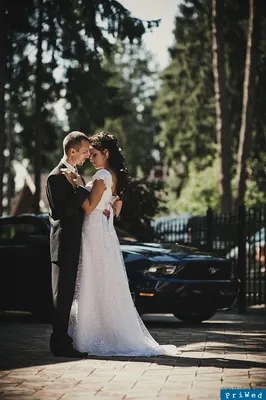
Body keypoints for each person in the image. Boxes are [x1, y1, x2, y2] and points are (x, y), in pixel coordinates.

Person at [64, 131, 178, 356]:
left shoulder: (102, 175)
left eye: (95, 154)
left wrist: (77, 184)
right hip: (105, 232)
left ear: (106, 153)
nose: (91, 158)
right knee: (104, 281)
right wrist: (112, 207)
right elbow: (116, 204)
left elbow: (87, 207)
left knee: (92, 280)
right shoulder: (114, 176)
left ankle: (93, 336)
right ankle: (108, 330)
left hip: (94, 231)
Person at [46, 131, 109, 358]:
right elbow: (60, 212)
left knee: (68, 296)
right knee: (61, 298)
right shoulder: (55, 177)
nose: (86, 157)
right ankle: (59, 344)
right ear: (72, 151)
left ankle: (64, 339)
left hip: (76, 244)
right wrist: (81, 188)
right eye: (84, 152)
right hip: (63, 247)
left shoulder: (74, 175)